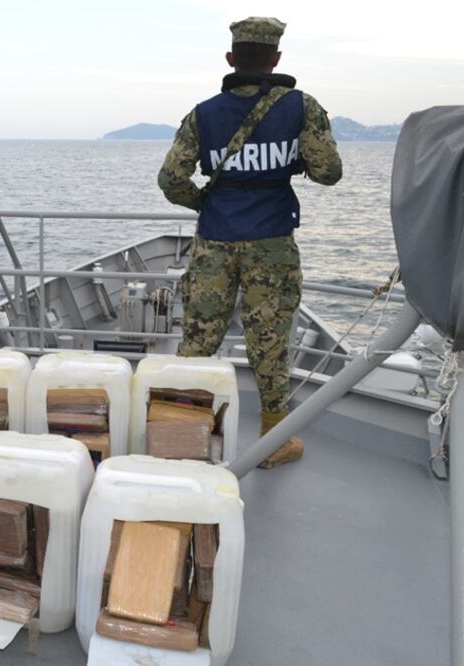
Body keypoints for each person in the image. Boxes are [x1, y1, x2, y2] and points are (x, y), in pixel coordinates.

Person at [157, 17, 342, 468]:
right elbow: (329, 173)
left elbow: (170, 178)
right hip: (272, 241)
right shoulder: (301, 107)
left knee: (199, 339)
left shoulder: (203, 113)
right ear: (275, 59)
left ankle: (181, 436)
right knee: (270, 342)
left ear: (231, 59)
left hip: (216, 241)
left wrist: (204, 201)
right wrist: (290, 160)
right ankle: (273, 442)